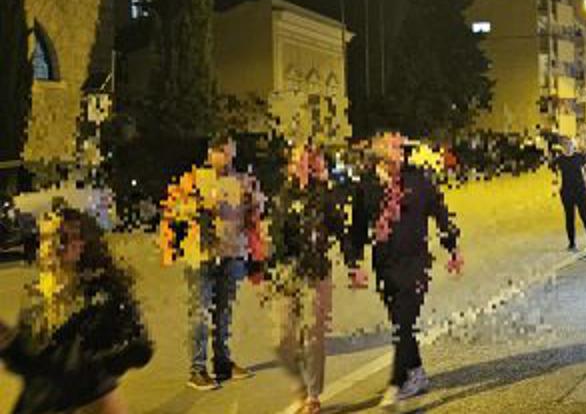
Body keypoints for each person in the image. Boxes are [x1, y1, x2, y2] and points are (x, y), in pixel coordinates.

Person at [344, 133, 464, 407]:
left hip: (416, 262)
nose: (402, 151)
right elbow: (358, 228)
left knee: (403, 323)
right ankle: (417, 372)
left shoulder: (417, 180)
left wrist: (453, 249)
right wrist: (354, 263)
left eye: (401, 147)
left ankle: (396, 383)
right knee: (401, 323)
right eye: (395, 146)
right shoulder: (367, 185)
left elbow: (441, 213)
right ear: (379, 152)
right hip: (385, 264)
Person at [0, 204, 153, 413]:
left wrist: (113, 357)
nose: (51, 247)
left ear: (82, 244)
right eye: (45, 238)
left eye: (62, 239)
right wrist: (8, 343)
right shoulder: (35, 296)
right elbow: (30, 366)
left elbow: (134, 349)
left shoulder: (98, 297)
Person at [160, 137, 266, 390]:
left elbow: (256, 213)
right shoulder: (193, 179)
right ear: (210, 154)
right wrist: (195, 205)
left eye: (229, 153)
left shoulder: (242, 181)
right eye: (220, 153)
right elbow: (172, 209)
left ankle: (222, 362)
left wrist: (256, 201)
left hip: (232, 253)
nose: (225, 158)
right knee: (200, 313)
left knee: (224, 312)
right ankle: (197, 369)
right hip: (201, 255)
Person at [269, 143, 347, 414]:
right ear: (290, 166)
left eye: (307, 161)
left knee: (313, 335)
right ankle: (299, 387)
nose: (302, 165)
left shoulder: (324, 195)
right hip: (286, 274)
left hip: (317, 272)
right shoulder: (282, 197)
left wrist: (353, 264)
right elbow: (276, 238)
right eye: (297, 161)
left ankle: (313, 395)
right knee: (280, 338)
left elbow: (341, 229)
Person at [549, 138, 586, 252]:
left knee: (584, 214)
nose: (568, 146)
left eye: (570, 144)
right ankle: (571, 243)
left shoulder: (579, 157)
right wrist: (554, 190)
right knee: (569, 217)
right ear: (562, 147)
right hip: (566, 192)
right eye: (565, 145)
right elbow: (555, 176)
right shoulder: (559, 160)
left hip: (580, 191)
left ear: (573, 145)